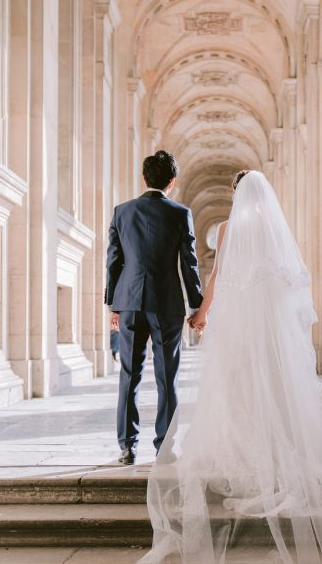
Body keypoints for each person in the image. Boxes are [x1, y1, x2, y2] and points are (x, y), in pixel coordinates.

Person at [140, 170, 322, 563]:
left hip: (240, 329)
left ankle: (245, 449)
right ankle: (282, 446)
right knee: (275, 385)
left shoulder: (229, 229)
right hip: (269, 330)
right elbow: (295, 283)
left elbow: (217, 278)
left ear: (236, 194)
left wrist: (202, 314)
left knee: (239, 385)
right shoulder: (275, 230)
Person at [104, 150, 203, 466]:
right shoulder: (180, 213)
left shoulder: (122, 212)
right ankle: (164, 446)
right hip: (166, 304)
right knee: (166, 376)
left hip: (129, 302)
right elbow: (189, 263)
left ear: (144, 178)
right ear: (172, 182)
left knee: (129, 376)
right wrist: (197, 306)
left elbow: (114, 261)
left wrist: (112, 304)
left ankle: (127, 447)